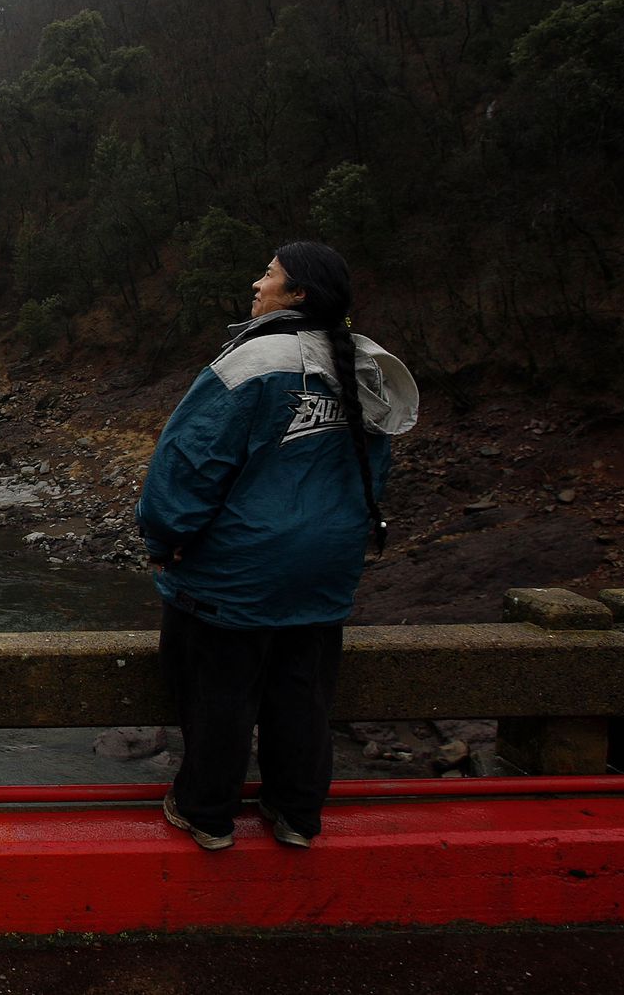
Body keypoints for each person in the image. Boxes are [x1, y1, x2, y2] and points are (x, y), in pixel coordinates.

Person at [135, 241, 417, 850]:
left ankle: (206, 812)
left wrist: (166, 538)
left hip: (240, 568)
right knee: (303, 690)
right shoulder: (364, 365)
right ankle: (296, 813)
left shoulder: (251, 363)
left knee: (219, 692)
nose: (256, 284)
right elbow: (375, 471)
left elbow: (189, 462)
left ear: (297, 295)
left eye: (268, 274)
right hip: (326, 567)